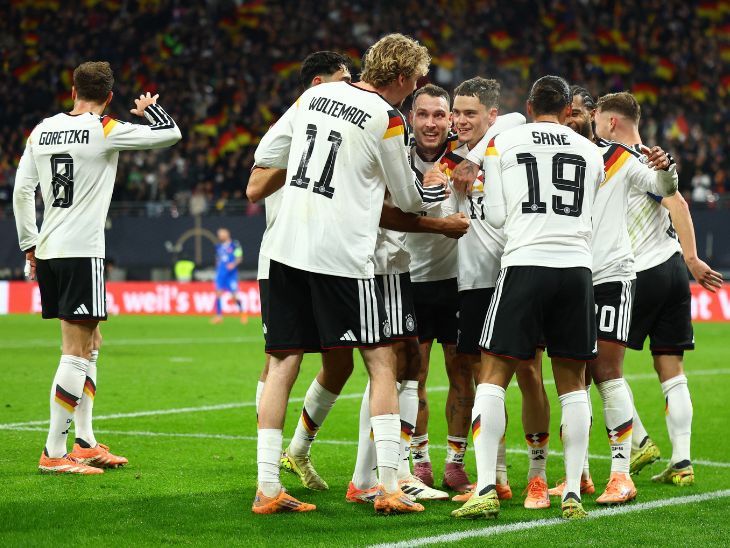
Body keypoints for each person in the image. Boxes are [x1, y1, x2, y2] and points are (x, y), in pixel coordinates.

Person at [251, 33, 438, 515]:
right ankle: (389, 485)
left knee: (283, 363)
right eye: (417, 80)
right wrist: (429, 190)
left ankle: (267, 487)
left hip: (287, 247)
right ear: (401, 77)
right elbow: (409, 198)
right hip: (341, 256)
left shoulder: (317, 94)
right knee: (381, 360)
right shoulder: (388, 117)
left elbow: (267, 153)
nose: (416, 88)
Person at [12, 61, 181, 474]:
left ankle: (85, 441)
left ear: (73, 91)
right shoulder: (104, 128)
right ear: (108, 97)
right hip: (81, 251)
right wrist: (150, 109)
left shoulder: (42, 130)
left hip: (49, 249)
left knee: (90, 344)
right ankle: (54, 452)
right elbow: (171, 133)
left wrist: (29, 244)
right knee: (75, 351)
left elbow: (21, 191)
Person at [452, 76, 604, 521]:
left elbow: (498, 216)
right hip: (577, 268)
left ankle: (485, 487)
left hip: (525, 263)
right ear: (567, 109)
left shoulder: (506, 142)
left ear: (531, 105)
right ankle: (572, 491)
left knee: (492, 375)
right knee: (572, 383)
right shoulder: (591, 152)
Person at [594, 92, 723, 486]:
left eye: (597, 120)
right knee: (671, 367)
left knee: (599, 363)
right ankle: (682, 461)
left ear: (612, 122)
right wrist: (687, 261)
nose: (594, 128)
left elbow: (677, 202)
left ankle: (640, 441)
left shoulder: (625, 160)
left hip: (640, 272)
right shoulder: (652, 158)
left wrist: (694, 257)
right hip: (672, 271)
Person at [442, 77, 557, 510]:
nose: (460, 120)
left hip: (514, 276)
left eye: (470, 113)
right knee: (483, 378)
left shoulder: (507, 141)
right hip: (473, 282)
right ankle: (498, 477)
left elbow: (514, 118)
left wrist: (476, 158)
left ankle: (538, 475)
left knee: (529, 372)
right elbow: (455, 218)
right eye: (457, 112)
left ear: (490, 115)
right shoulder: (455, 162)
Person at [404, 84, 477, 494]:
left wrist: (473, 160)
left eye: (439, 115)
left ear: (450, 119)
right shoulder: (395, 154)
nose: (431, 123)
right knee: (412, 376)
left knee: (461, 372)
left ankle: (455, 463)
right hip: (408, 281)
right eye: (423, 114)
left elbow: (512, 121)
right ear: (411, 118)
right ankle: (419, 462)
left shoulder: (466, 153)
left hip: (456, 282)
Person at [210, 227, 246, 324]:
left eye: (221, 234)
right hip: (221, 274)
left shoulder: (235, 245)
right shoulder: (218, 246)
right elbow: (218, 259)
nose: (220, 236)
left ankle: (243, 314)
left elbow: (239, 257)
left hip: (231, 275)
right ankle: (219, 316)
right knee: (218, 293)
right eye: (219, 235)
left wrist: (233, 264)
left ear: (227, 234)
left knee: (234, 296)